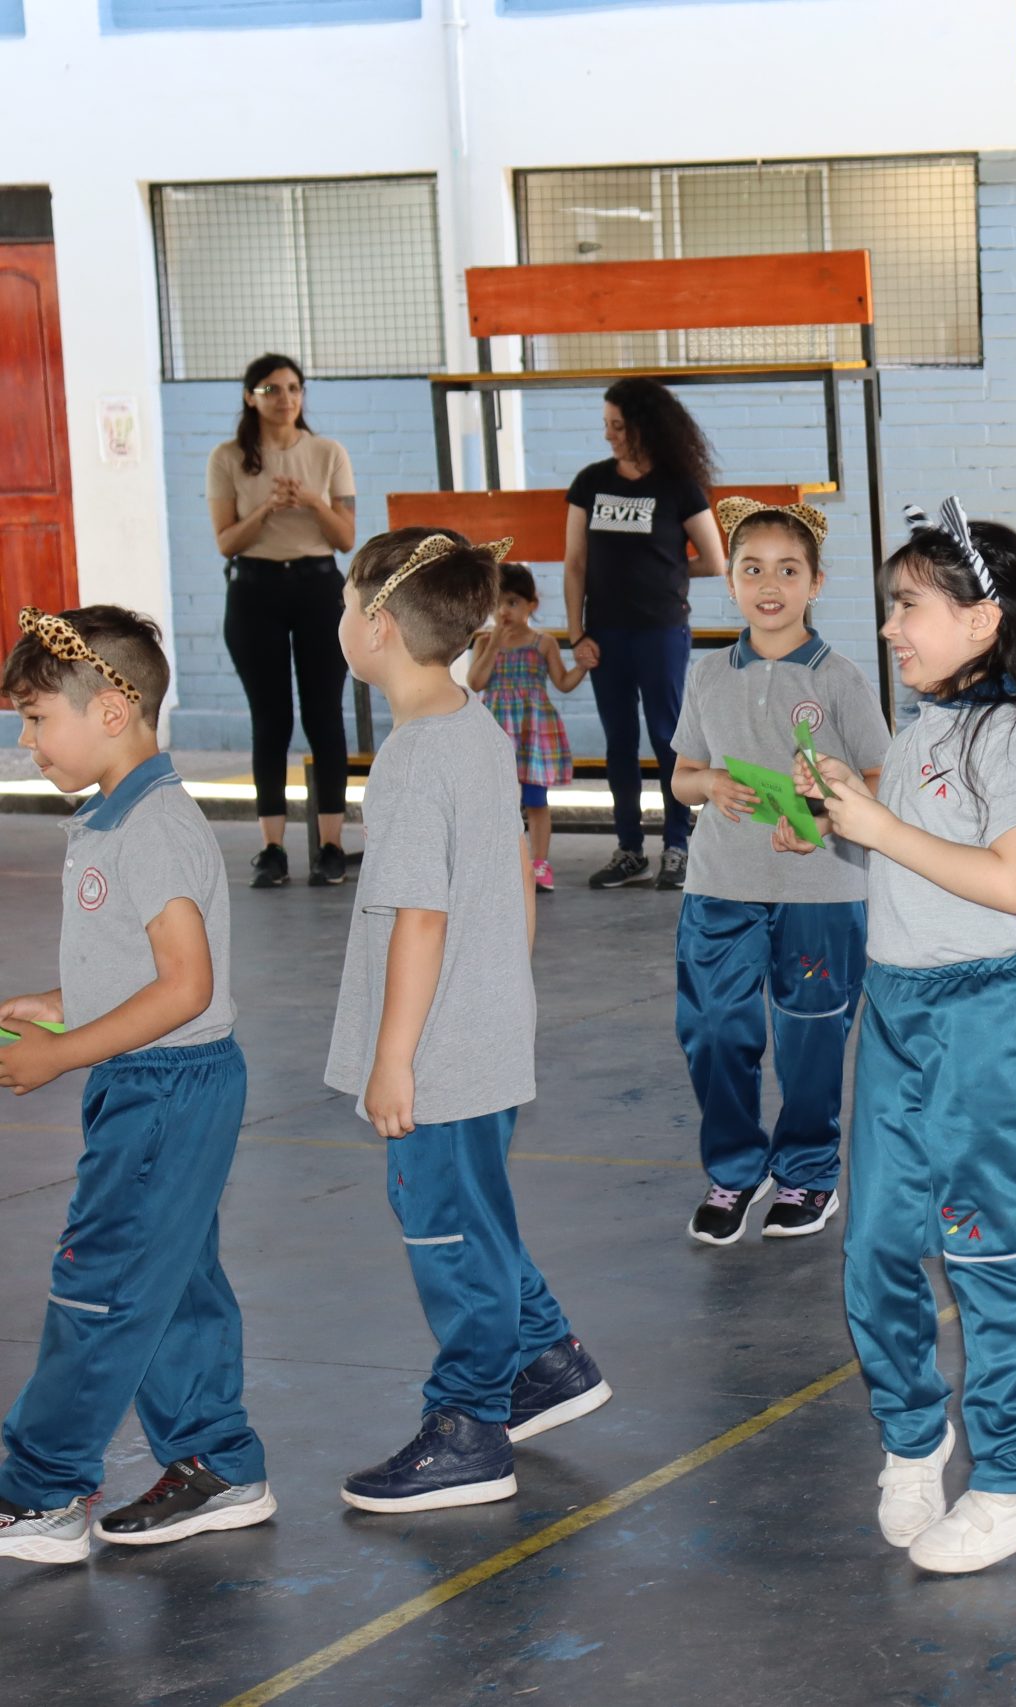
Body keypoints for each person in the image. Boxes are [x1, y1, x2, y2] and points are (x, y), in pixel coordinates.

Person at [805, 500, 1016, 1575]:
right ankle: (914, 1437)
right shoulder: (924, 728)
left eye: (909, 605)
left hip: (990, 1015)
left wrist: (878, 825)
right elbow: (917, 857)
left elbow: (1011, 882)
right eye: (890, 606)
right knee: (876, 1242)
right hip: (899, 1009)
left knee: (988, 1248)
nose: (890, 627)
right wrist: (845, 819)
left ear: (982, 620)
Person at [328, 529, 610, 1514]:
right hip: (484, 1022)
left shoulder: (414, 758)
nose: (339, 620)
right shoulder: (477, 727)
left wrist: (394, 1058)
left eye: (344, 603)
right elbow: (516, 882)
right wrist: (503, 994)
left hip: (440, 1049)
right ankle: (545, 1360)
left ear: (377, 625)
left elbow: (420, 917)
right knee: (476, 1214)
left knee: (446, 1231)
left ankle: (468, 1428)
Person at [0, 608, 272, 1565]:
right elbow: (145, 967)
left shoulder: (150, 824)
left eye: (38, 719)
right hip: (160, 1082)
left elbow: (187, 986)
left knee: (102, 1286)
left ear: (110, 712)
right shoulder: (120, 811)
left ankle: (40, 1490)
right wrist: (62, 1003)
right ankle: (217, 1462)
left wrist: (63, 1053)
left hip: (163, 1087)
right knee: (174, 1279)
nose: (27, 742)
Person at [670, 500, 890, 1248]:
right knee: (712, 1030)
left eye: (788, 570)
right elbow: (683, 776)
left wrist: (825, 818)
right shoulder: (707, 675)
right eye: (753, 569)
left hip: (821, 891)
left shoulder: (841, 680)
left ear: (816, 583)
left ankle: (808, 1172)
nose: (770, 585)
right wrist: (708, 784)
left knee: (810, 1039)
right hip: (720, 887)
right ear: (730, 581)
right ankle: (735, 1169)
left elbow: (878, 778)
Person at [563, 377, 726, 892]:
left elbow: (715, 560)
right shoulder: (590, 482)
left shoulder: (678, 486)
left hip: (660, 633)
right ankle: (629, 849)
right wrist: (576, 635)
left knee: (666, 736)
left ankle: (677, 845)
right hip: (604, 634)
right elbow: (575, 564)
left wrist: (668, 572)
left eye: (618, 425)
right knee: (619, 741)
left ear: (644, 426)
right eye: (606, 425)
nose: (609, 435)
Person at [207, 353, 356, 889]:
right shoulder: (228, 457)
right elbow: (226, 541)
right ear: (250, 397)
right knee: (271, 719)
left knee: (324, 716)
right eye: (271, 389)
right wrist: (266, 509)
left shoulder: (327, 452)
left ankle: (331, 845)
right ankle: (272, 848)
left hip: (318, 588)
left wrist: (312, 501)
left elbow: (345, 538)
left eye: (294, 388)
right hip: (255, 590)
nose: (285, 398)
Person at [467, 566, 585, 893]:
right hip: (496, 731)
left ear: (532, 605)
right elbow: (475, 682)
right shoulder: (484, 642)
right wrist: (494, 645)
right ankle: (498, 864)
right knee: (496, 800)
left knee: (535, 799)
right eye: (497, 603)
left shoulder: (543, 643)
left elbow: (563, 682)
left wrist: (582, 668)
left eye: (512, 602)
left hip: (532, 732)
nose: (503, 611)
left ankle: (539, 863)